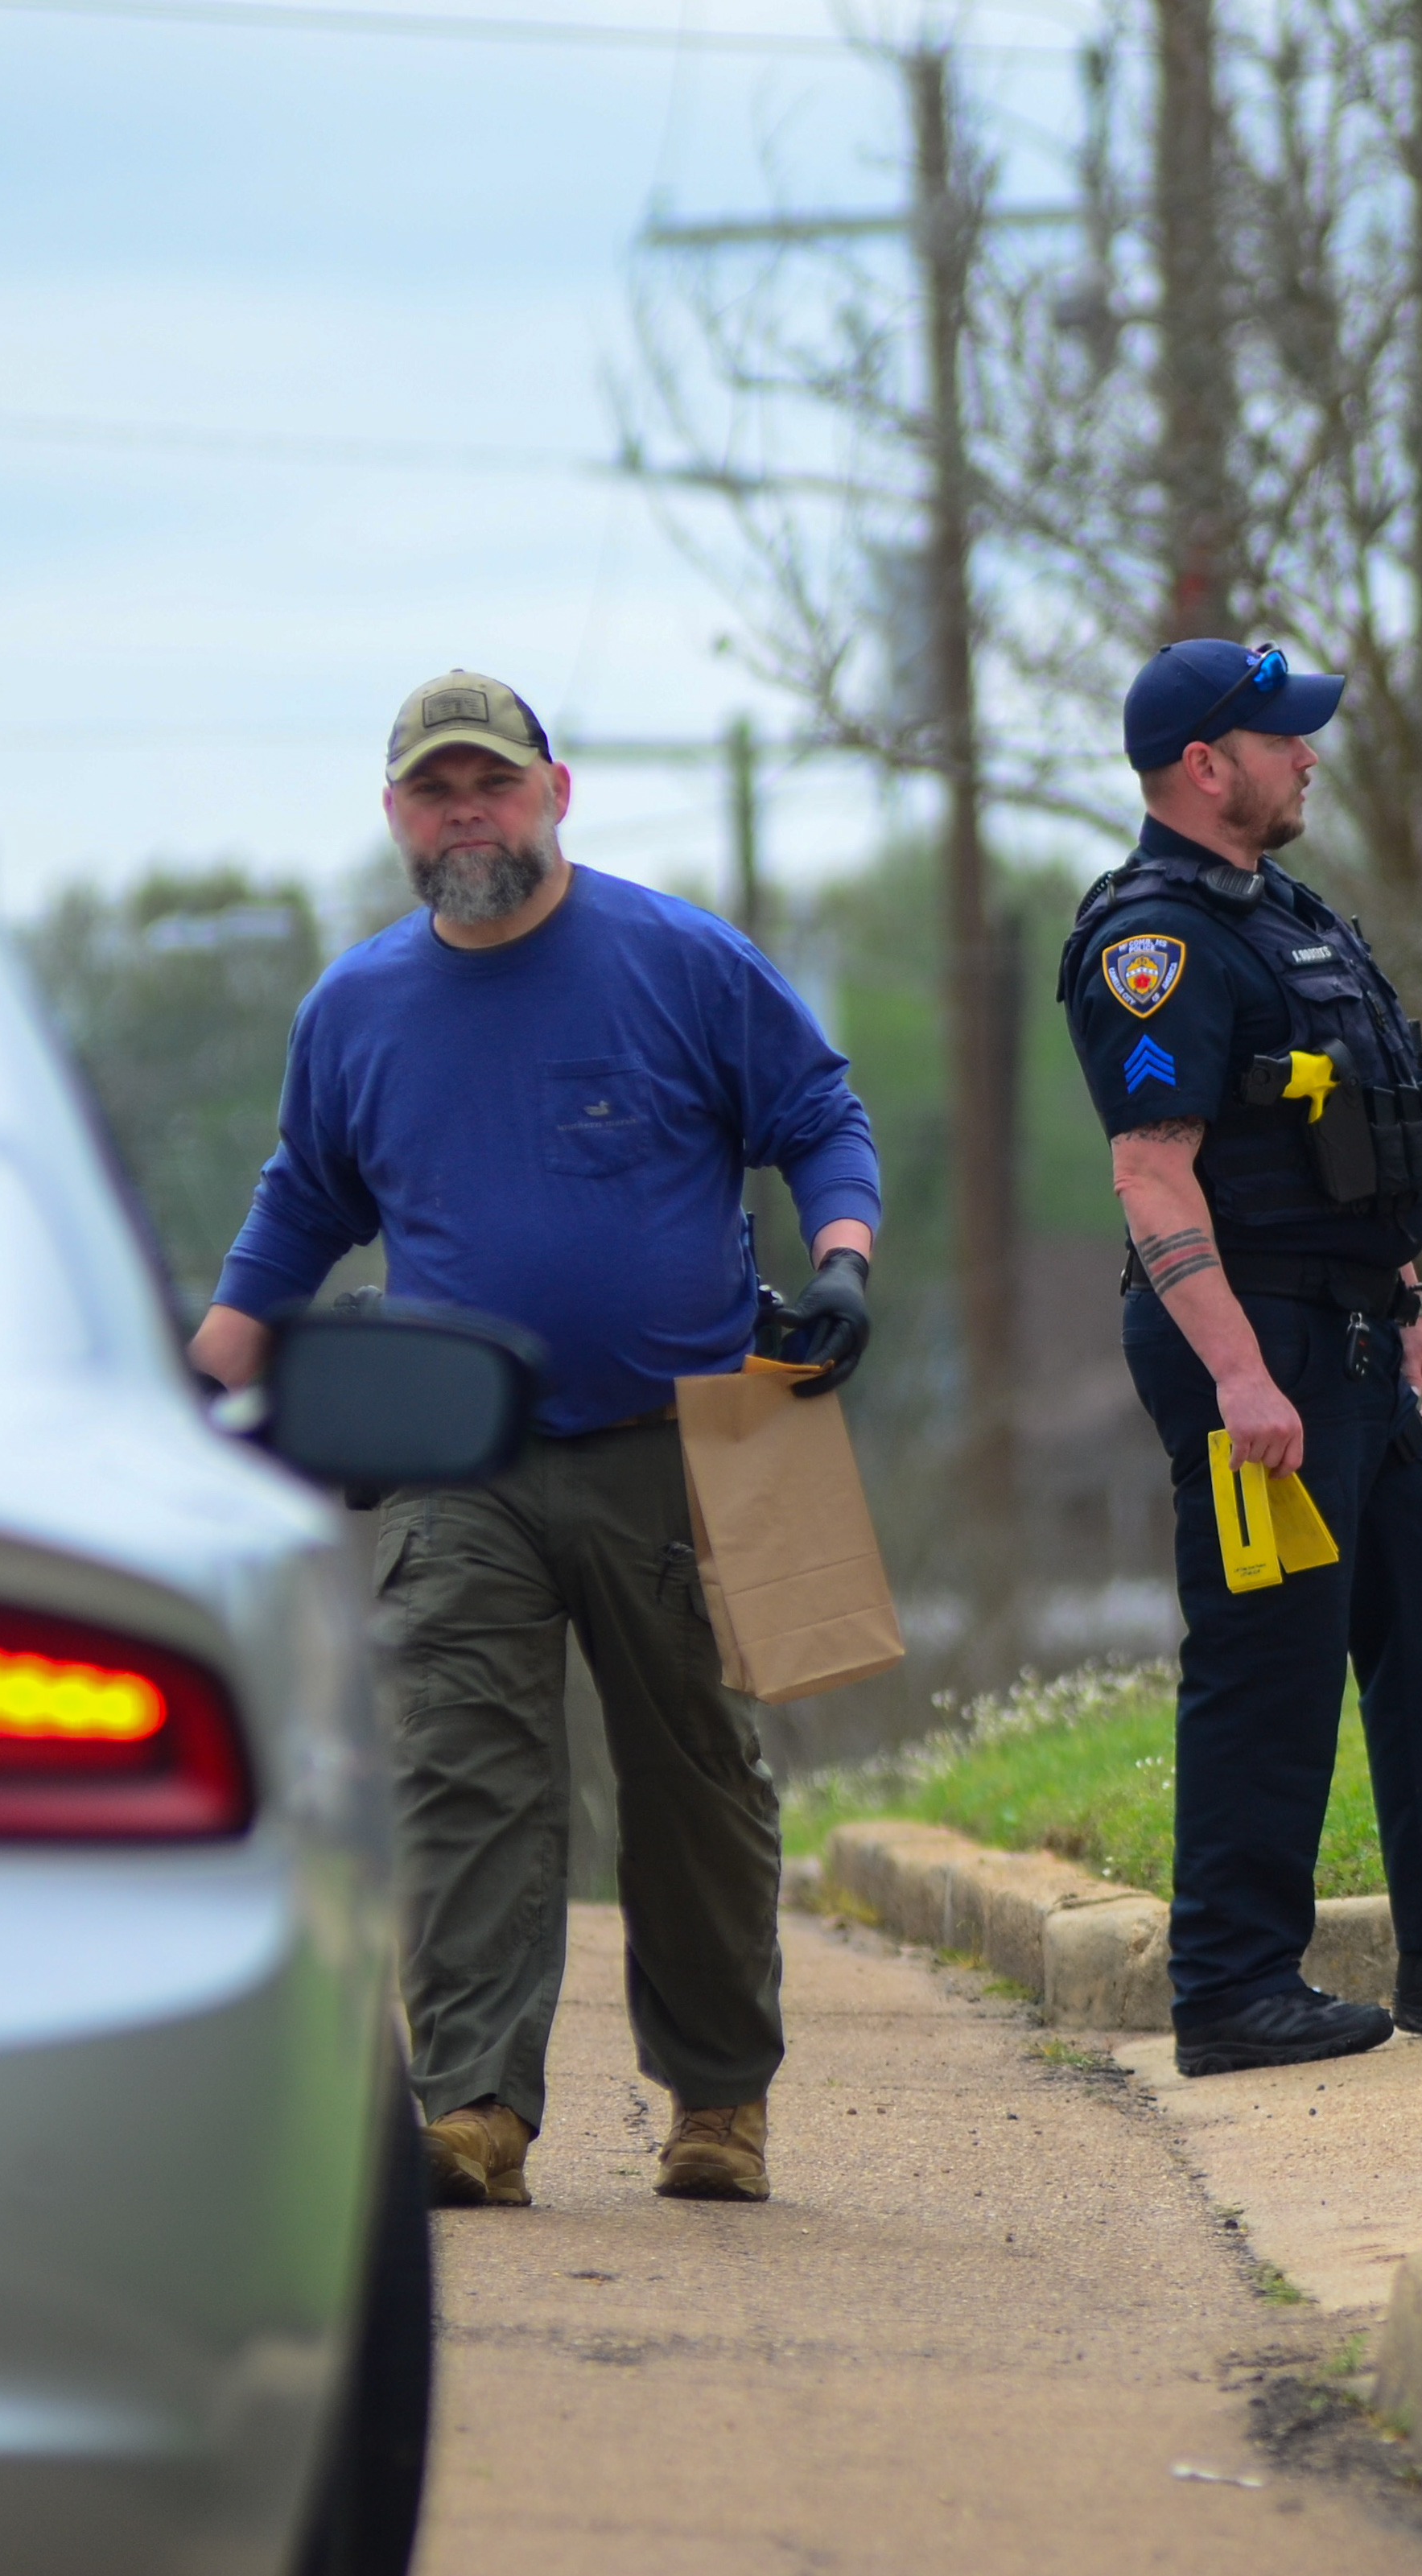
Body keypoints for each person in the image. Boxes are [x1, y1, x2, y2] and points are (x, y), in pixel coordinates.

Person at [192, 670, 881, 2206]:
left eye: (491, 786)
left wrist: (841, 1263)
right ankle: (473, 2109)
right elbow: (299, 1206)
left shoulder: (678, 961)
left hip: (676, 1446)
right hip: (455, 1458)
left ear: (554, 793)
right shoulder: (354, 1007)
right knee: (463, 1775)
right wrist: (200, 1389)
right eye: (434, 792)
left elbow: (820, 1115)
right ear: (394, 816)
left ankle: (717, 2102)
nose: (466, 817)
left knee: (692, 1782)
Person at [1060, 638, 1422, 2075]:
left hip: (1357, 1330)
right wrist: (1240, 1379)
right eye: (1281, 737)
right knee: (1271, 1658)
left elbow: (1345, 1140)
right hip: (1255, 1343)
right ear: (1205, 765)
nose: (1308, 754)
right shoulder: (1154, 944)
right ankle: (1230, 1984)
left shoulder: (1284, 913)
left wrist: (1411, 1298)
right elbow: (1151, 1174)